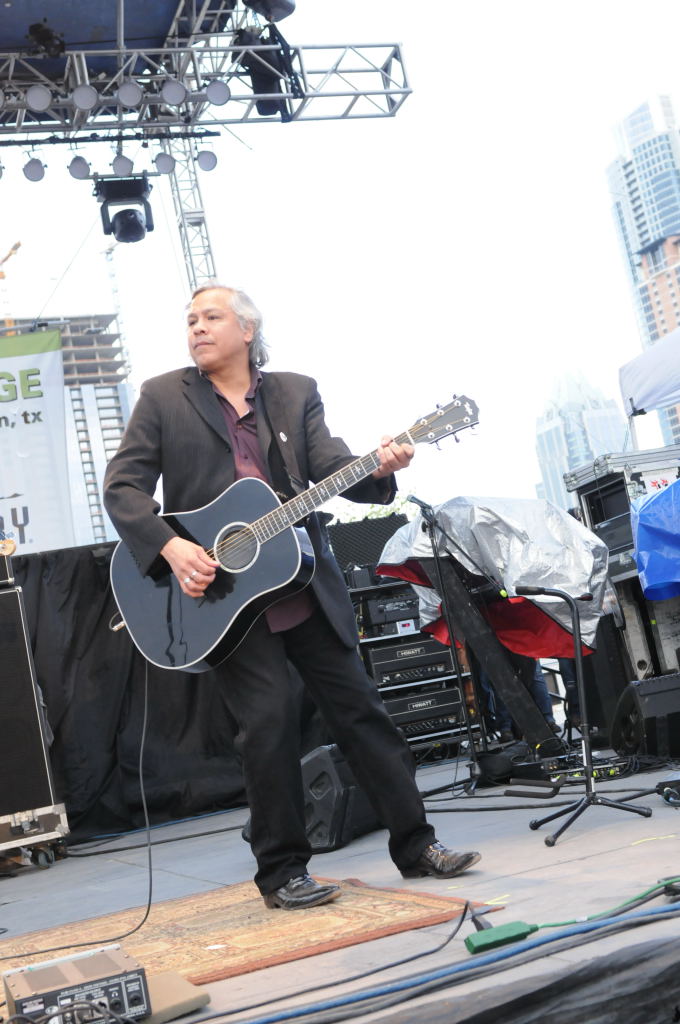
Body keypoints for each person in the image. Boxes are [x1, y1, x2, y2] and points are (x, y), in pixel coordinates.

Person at [103, 284, 481, 910]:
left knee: (362, 712)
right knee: (269, 723)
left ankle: (417, 845)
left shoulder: (295, 392)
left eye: (211, 317)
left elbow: (332, 466)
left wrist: (380, 467)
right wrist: (172, 547)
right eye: (190, 320)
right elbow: (123, 488)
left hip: (301, 582)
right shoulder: (163, 396)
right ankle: (281, 872)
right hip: (222, 596)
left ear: (247, 329)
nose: (197, 327)